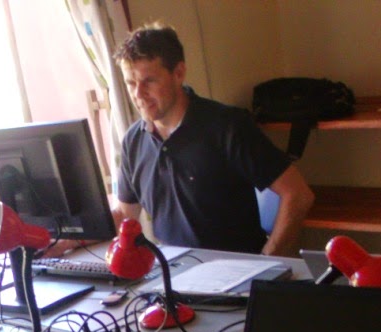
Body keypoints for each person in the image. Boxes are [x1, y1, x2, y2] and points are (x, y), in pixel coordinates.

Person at [112, 23, 314, 256]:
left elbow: (298, 194)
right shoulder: (133, 141)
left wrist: (268, 259)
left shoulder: (227, 126)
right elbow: (125, 214)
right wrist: (81, 236)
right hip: (174, 271)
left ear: (178, 73)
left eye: (149, 81)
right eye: (131, 83)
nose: (138, 94)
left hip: (236, 270)